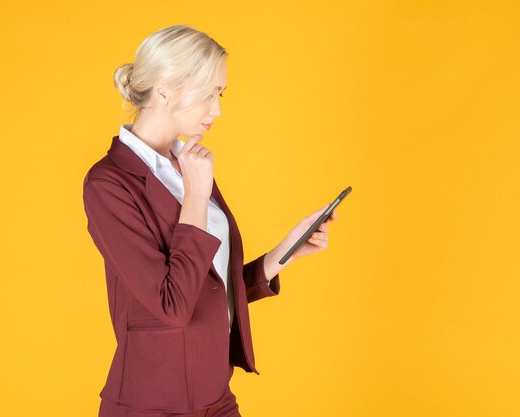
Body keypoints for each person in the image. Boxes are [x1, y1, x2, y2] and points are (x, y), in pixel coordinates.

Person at [82, 24, 338, 417]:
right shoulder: (109, 183)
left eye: (221, 94)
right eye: (209, 94)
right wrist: (197, 197)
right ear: (164, 89)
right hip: (151, 403)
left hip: (215, 396)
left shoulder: (188, 163)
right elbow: (172, 304)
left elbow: (207, 286)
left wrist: (284, 252)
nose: (217, 110)